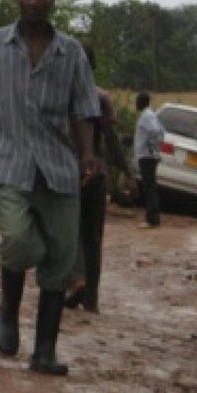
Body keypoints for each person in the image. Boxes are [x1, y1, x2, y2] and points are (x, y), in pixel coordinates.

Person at [0, 0, 100, 376]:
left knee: (60, 257)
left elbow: (84, 110)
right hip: (9, 159)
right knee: (20, 240)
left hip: (59, 165)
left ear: (53, 1)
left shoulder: (71, 53)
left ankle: (44, 350)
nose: (35, 1)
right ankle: (8, 309)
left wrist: (88, 154)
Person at [64, 45, 130, 313]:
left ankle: (74, 281)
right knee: (93, 237)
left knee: (68, 233)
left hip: (66, 174)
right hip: (97, 174)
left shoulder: (62, 94)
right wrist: (125, 171)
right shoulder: (101, 97)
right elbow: (111, 140)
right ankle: (91, 298)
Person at [134, 92, 165, 229]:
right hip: (147, 155)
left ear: (142, 102)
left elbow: (155, 131)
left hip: (147, 156)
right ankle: (152, 217)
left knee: (149, 187)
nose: (136, 104)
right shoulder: (150, 115)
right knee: (150, 187)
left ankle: (152, 218)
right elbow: (162, 131)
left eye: (137, 101)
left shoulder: (147, 116)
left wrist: (153, 149)